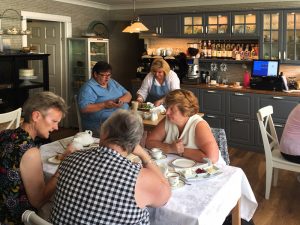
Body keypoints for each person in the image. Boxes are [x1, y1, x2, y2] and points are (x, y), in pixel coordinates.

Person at [50, 109, 171, 225]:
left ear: (104, 133)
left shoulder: (70, 158)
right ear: (135, 143)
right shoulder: (138, 177)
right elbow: (164, 197)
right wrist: (145, 156)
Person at [0, 91, 74, 225]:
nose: (56, 127)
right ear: (36, 116)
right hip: (16, 219)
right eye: (54, 121)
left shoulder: (5, 134)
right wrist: (65, 164)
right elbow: (38, 201)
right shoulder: (29, 152)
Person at [146, 89, 225, 165]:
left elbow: (211, 158)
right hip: (181, 166)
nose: (167, 112)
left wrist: (181, 151)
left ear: (185, 111)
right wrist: (170, 148)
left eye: (172, 109)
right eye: (167, 107)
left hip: (211, 170)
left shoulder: (199, 125)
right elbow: (149, 142)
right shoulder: (168, 120)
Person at [78, 61, 132, 136]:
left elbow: (128, 94)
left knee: (136, 127)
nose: (107, 78)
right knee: (131, 133)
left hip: (120, 119)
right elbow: (84, 108)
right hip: (101, 125)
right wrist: (104, 105)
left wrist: (119, 101)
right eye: (104, 75)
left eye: (109, 75)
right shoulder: (88, 88)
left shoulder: (112, 82)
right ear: (95, 74)